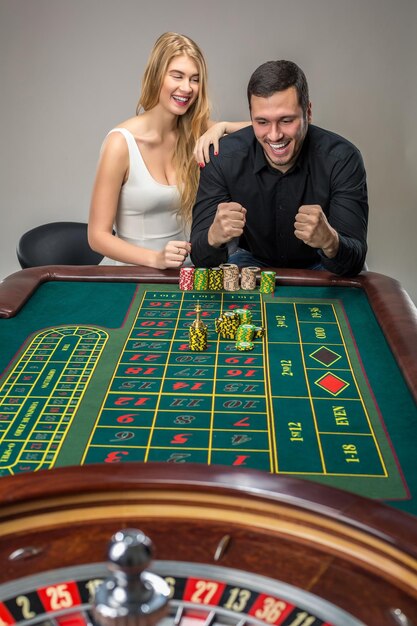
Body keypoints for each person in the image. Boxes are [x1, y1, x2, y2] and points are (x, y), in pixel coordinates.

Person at [190, 60, 369, 276]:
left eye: (286, 120)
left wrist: (330, 241)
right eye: (262, 122)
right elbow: (199, 257)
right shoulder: (222, 159)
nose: (274, 136)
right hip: (251, 261)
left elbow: (355, 260)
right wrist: (213, 237)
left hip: (322, 264)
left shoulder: (342, 159)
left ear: (308, 113)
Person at [88, 32, 249, 269]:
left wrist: (223, 127)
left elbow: (267, 128)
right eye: (177, 76)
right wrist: (155, 259)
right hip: (130, 275)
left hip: (183, 273)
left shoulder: (196, 130)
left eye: (195, 79)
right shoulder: (120, 143)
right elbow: (97, 237)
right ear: (156, 76)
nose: (187, 88)